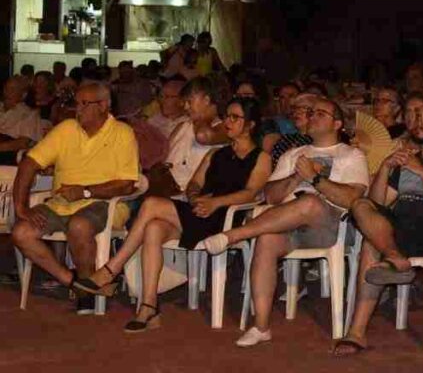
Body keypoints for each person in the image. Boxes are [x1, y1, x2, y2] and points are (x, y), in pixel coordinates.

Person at [74, 97, 271, 331]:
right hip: (199, 213)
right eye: (227, 115)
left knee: (151, 205)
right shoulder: (216, 154)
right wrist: (195, 197)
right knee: (153, 228)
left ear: (250, 125)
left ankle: (110, 270)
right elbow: (194, 185)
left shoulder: (261, 157)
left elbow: (251, 193)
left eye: (235, 117)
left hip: (226, 219)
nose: (227, 121)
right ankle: (149, 307)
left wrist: (216, 202)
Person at [202, 97, 369, 347]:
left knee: (310, 202)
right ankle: (261, 326)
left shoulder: (351, 155)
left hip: (330, 226)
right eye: (310, 112)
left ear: (337, 124)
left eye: (320, 113)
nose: (312, 116)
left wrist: (314, 179)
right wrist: (295, 178)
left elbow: (352, 198)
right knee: (267, 239)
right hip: (288, 224)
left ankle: (235, 235)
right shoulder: (293, 154)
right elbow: (270, 196)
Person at [332, 101, 423, 355]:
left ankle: (356, 332)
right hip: (399, 227)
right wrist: (385, 168)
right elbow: (377, 203)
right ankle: (395, 257)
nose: (419, 122)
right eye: (417, 117)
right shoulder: (406, 158)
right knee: (360, 205)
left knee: (371, 244)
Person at [11, 82, 139, 314]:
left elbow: (127, 184)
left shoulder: (122, 132)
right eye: (76, 104)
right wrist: (20, 207)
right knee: (21, 232)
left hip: (105, 204)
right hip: (60, 204)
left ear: (103, 105)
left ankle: (84, 290)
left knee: (79, 226)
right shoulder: (67, 129)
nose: (77, 109)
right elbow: (29, 163)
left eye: (83, 104)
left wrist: (85, 191)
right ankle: (78, 284)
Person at [269, 93, 317, 169]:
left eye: (304, 108)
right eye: (295, 108)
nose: (297, 112)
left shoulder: (321, 140)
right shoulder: (285, 140)